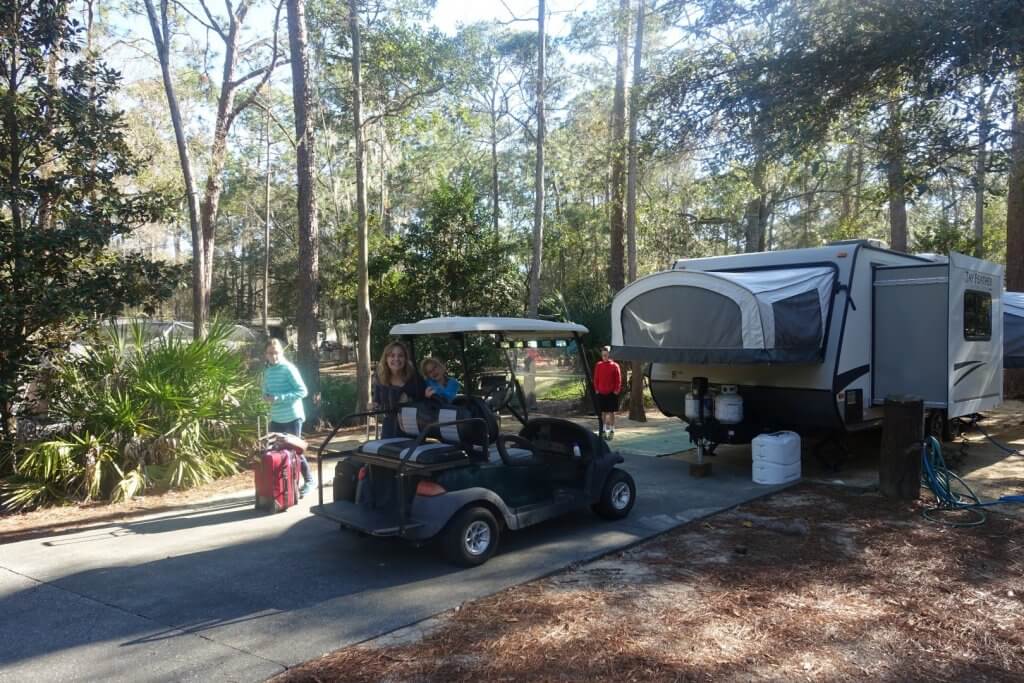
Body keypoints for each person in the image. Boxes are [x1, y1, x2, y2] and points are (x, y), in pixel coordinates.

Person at [262, 338, 314, 496]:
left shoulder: (289, 368)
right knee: (276, 452)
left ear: (282, 352)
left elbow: (302, 391)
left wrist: (279, 398)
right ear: (265, 354)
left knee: (295, 451)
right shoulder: (266, 372)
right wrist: (266, 396)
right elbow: (265, 391)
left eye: (276, 352)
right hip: (276, 417)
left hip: (292, 416)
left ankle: (310, 480)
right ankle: (284, 486)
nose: (274, 356)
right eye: (270, 353)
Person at [372, 340, 425, 437]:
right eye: (392, 355)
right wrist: (373, 406)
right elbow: (377, 403)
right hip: (389, 430)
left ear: (405, 359)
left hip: (412, 430)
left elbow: (423, 403)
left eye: (400, 356)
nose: (396, 359)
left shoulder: (415, 378)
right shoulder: (379, 378)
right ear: (386, 359)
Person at [592, 345, 621, 440]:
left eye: (606, 355)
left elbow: (618, 379)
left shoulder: (615, 365)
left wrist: (616, 390)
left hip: (612, 393)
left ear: (610, 355)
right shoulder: (598, 365)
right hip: (601, 392)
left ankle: (612, 430)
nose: (605, 357)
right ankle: (603, 430)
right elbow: (596, 378)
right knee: (603, 412)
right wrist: (596, 389)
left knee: (611, 412)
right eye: (603, 355)